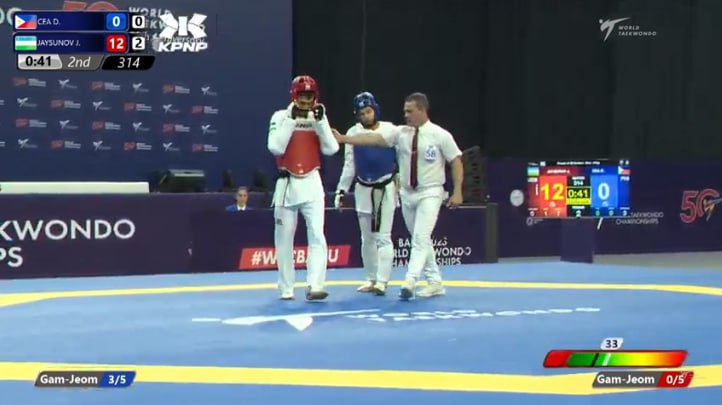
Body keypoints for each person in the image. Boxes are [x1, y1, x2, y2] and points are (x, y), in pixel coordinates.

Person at [332, 92, 464, 300]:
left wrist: (457, 191)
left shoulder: (440, 135)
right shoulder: (400, 133)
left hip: (430, 192)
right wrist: (345, 139)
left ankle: (410, 281)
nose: (406, 115)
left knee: (420, 238)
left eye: (410, 111)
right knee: (420, 238)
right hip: (407, 193)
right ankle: (435, 281)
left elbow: (456, 161)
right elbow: (374, 139)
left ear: (422, 110)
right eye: (405, 111)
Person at [267, 75, 339, 301]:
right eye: (302, 96)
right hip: (287, 183)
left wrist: (321, 122)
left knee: (317, 235)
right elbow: (276, 147)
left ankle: (315, 285)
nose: (306, 101)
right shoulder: (280, 116)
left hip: (312, 182)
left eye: (309, 96)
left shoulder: (317, 117)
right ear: (294, 96)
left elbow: (331, 149)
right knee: (284, 240)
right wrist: (292, 120)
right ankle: (286, 287)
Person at [334, 92, 398, 296]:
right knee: (367, 238)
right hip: (363, 188)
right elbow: (349, 165)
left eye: (368, 111)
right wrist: (341, 190)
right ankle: (371, 278)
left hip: (385, 187)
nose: (366, 116)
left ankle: (382, 281)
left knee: (384, 237)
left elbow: (398, 155)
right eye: (362, 113)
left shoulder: (390, 130)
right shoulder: (352, 133)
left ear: (375, 110)